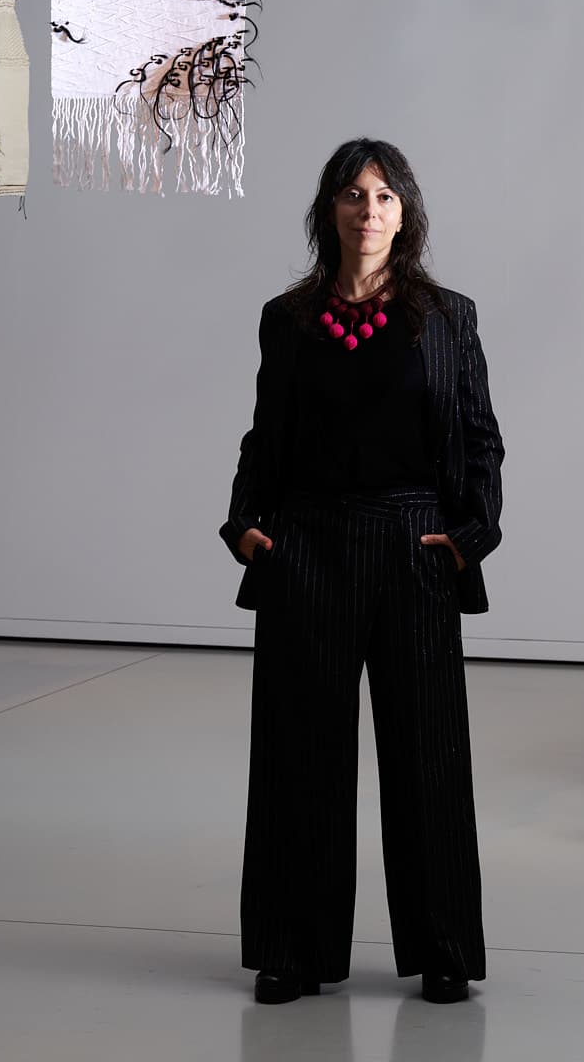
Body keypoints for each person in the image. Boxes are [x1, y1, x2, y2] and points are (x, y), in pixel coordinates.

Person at [220, 137, 505, 1005]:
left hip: (415, 545)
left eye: (383, 195)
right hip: (308, 544)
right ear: (329, 211)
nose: (368, 210)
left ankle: (443, 949)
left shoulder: (447, 316)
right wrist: (246, 524)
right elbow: (266, 436)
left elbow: (481, 438)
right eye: (351, 194)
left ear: (404, 211)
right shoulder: (288, 319)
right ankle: (294, 949)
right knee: (299, 753)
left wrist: (469, 535)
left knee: (428, 754)